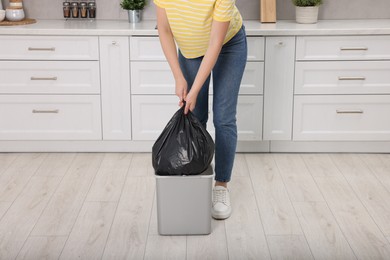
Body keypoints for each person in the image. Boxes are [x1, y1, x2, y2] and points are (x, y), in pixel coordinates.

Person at [154, 0, 247, 220]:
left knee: (223, 118)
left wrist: (194, 89)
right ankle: (196, 178)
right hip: (189, 50)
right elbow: (165, 30)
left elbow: (215, 42)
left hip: (227, 45)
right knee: (195, 116)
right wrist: (179, 76)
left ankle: (221, 186)